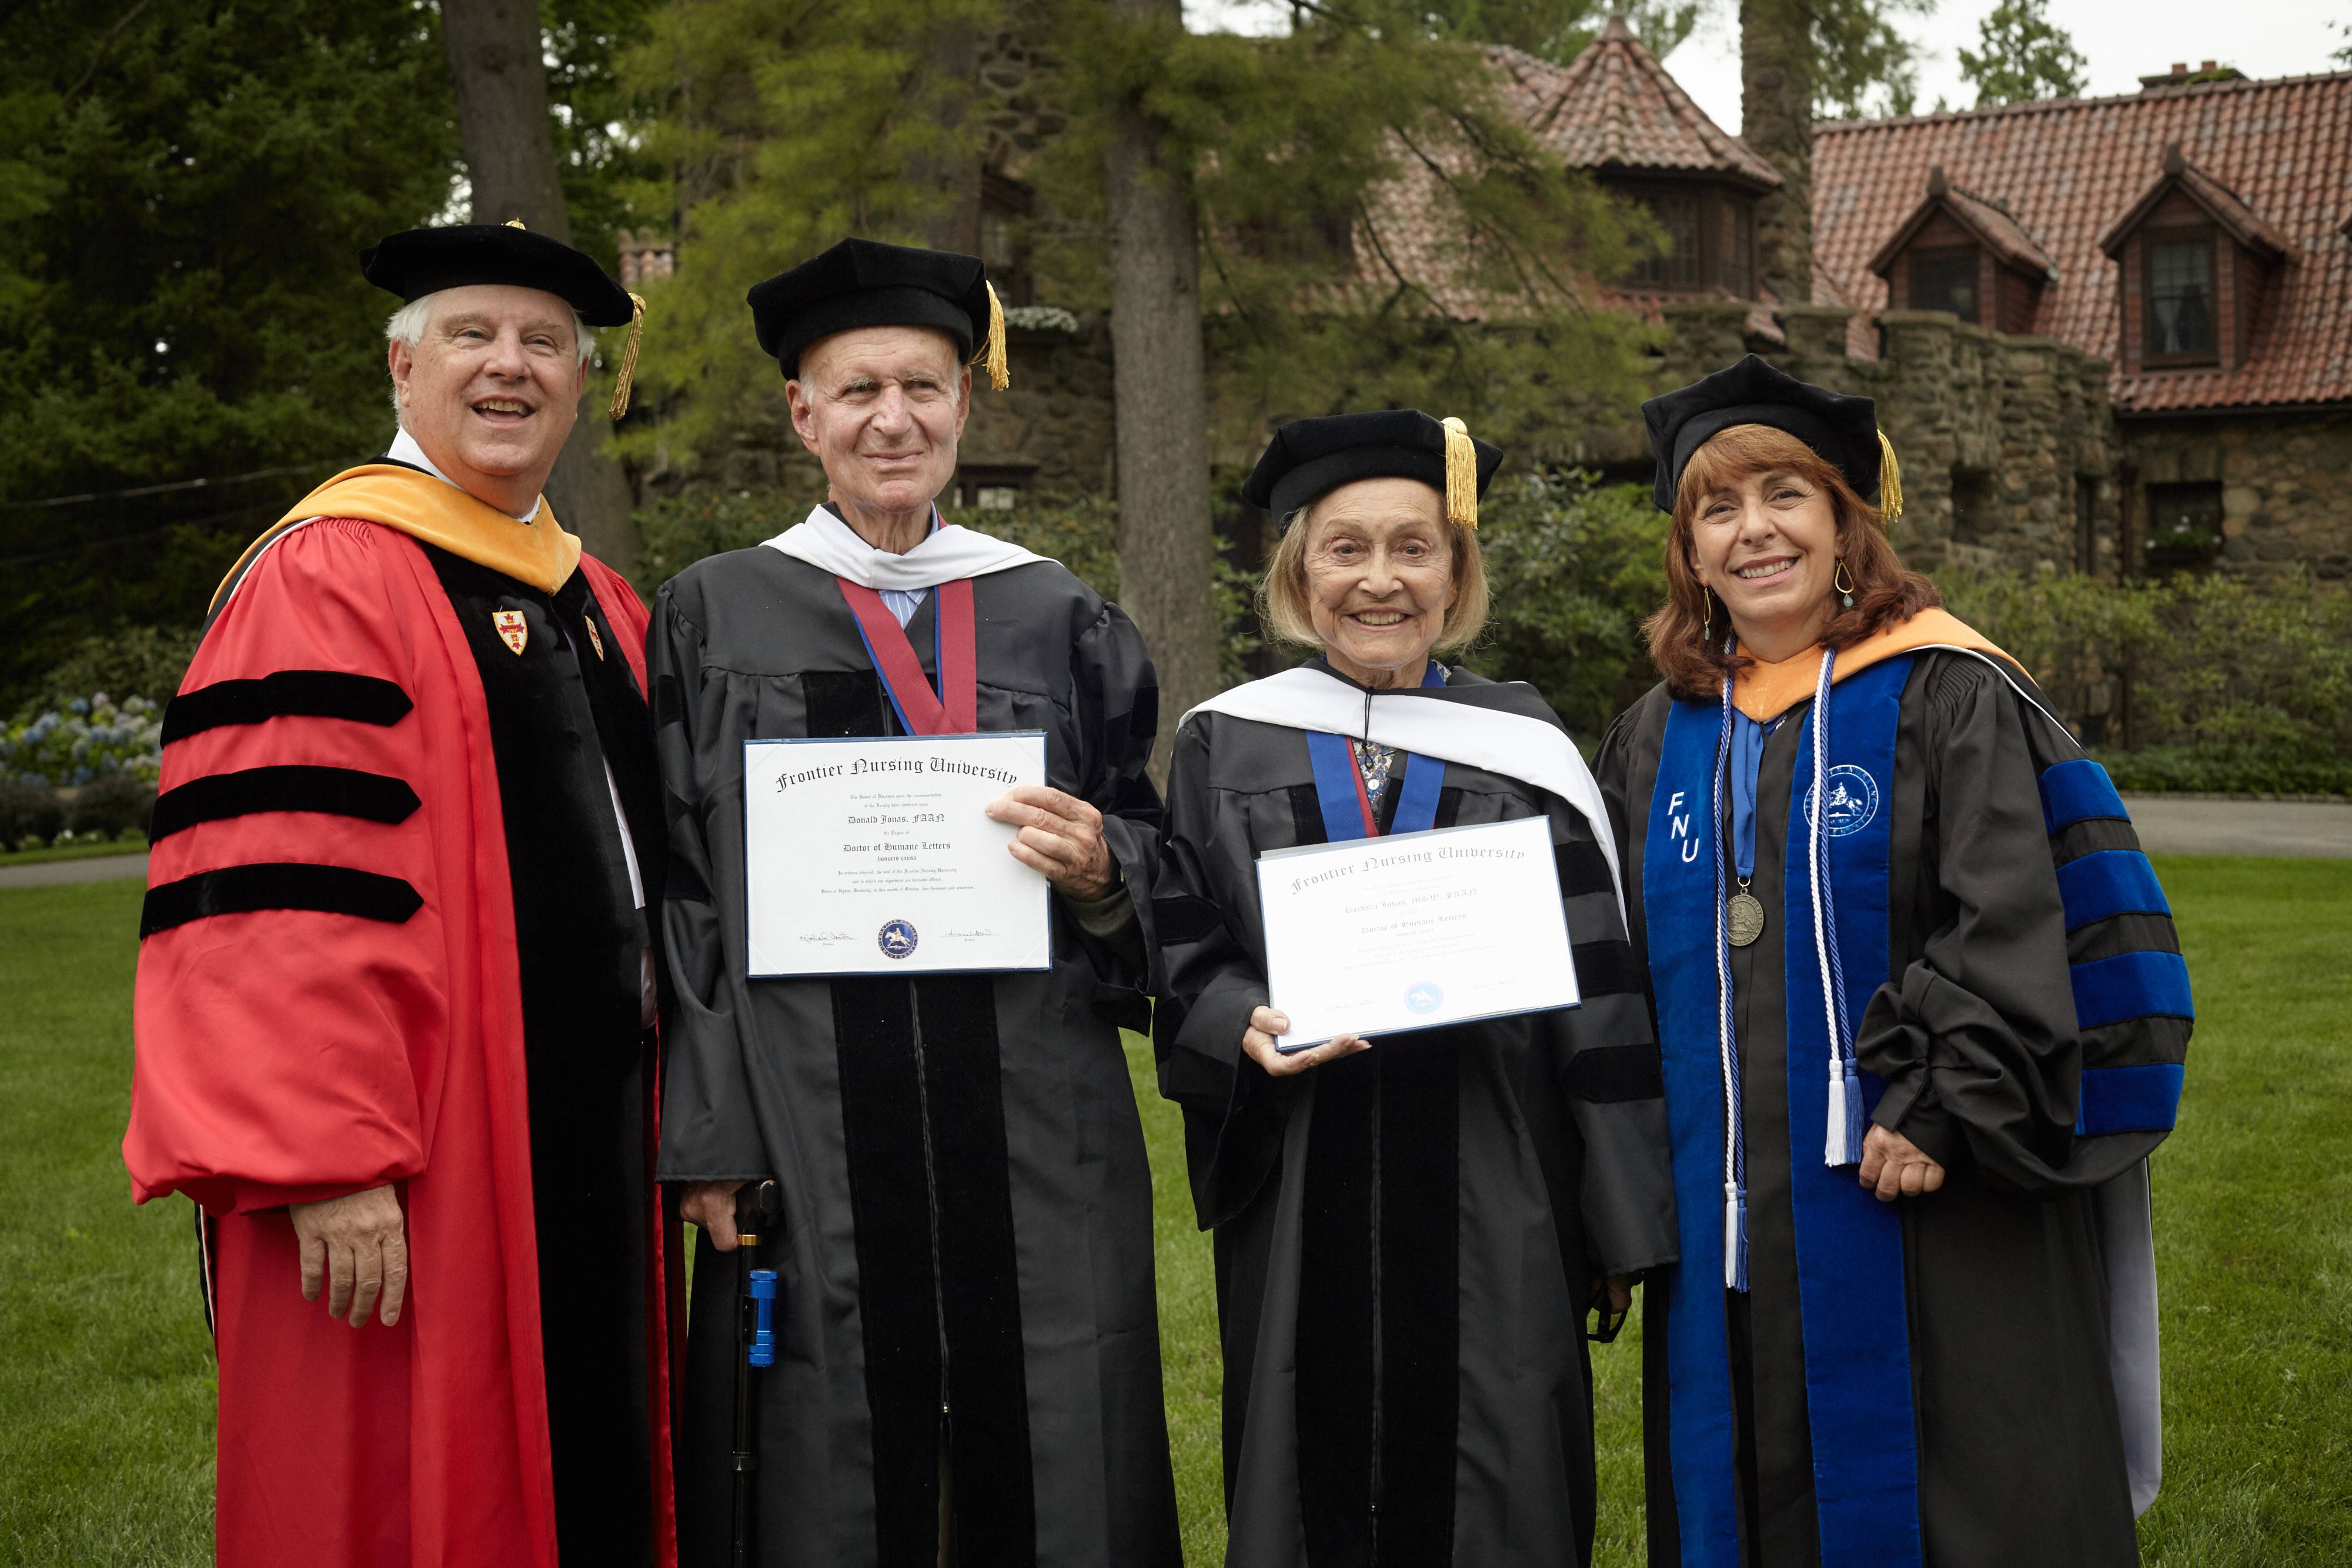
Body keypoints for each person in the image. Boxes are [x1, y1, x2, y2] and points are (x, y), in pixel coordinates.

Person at [122, 222, 679, 1568]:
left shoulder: (598, 596)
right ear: (399, 363)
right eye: (473, 337)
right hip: (412, 1163)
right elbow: (272, 889)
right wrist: (325, 1154)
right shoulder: (329, 575)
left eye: (544, 342)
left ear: (584, 381)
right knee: (394, 1495)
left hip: (596, 1146)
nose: (510, 367)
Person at [1594, 355, 2191, 1568]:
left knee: (1949, 1490)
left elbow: (2022, 912)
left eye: (1783, 496)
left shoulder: (1947, 690)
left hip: (1927, 1196)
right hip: (1731, 1222)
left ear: (1842, 520)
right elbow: (1604, 963)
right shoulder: (1658, 728)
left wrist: (1931, 1098)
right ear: (1688, 550)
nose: (1752, 530)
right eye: (1717, 507)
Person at [649, 236, 1181, 1567]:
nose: (893, 417)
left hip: (1030, 1099)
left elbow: (1150, 843)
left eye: (923, 386)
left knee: (1051, 1413)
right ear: (802, 413)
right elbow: (683, 886)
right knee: (829, 1429)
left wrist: (1108, 864)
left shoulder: (1053, 614)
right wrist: (710, 1132)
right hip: (809, 1109)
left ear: (962, 400)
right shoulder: (716, 614)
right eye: (857, 388)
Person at [1150, 409, 1678, 1566]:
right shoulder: (1223, 744)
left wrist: (1614, 1217)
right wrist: (1231, 1015)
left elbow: (1597, 987)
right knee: (1305, 1454)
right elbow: (1179, 934)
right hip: (1300, 1172)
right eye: (1344, 548)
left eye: (1412, 547)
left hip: (1496, 1176)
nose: (1378, 578)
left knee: (1499, 1464)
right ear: (1297, 572)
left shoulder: (1526, 745)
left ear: (1455, 572)